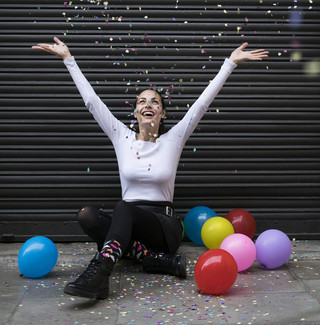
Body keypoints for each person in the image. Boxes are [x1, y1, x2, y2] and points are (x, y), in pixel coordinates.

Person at [32, 37, 268, 299]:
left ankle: (100, 275)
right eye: (142, 101)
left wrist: (229, 64)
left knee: (123, 208)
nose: (147, 105)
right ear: (135, 112)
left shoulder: (173, 140)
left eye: (154, 102)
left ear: (162, 113)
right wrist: (69, 60)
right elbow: (92, 102)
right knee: (87, 215)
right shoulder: (120, 137)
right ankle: (154, 260)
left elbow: (201, 105)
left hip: (163, 227)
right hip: (130, 223)